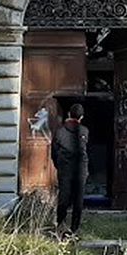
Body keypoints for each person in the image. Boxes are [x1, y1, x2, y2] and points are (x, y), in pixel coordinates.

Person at [50, 102, 89, 238]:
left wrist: (59, 165)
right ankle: (74, 230)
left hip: (65, 169)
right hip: (80, 170)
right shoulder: (84, 131)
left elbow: (53, 153)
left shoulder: (59, 131)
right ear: (81, 117)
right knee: (78, 200)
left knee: (63, 199)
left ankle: (60, 226)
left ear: (68, 114)